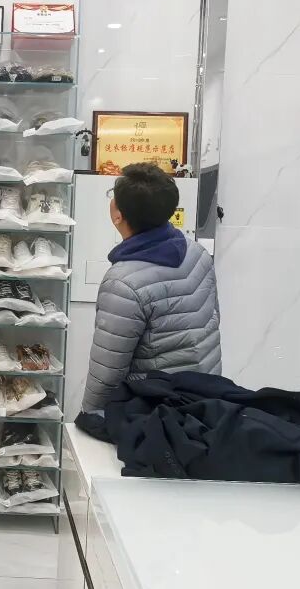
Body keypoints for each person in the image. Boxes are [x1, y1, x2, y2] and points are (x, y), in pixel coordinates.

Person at [81, 162, 221, 413]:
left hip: (155, 413)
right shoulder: (197, 253)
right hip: (206, 403)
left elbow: (106, 376)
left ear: (117, 215)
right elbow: (212, 322)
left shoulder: (123, 283)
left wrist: (89, 417)